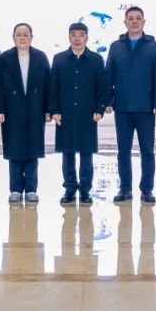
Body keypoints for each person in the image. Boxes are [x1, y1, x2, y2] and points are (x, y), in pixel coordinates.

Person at [105, 6, 156, 204]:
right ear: (125, 22)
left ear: (143, 22)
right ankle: (125, 189)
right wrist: (108, 100)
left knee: (147, 151)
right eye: (130, 18)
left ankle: (147, 190)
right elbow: (109, 75)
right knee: (123, 152)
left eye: (138, 18)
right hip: (122, 108)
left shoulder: (154, 47)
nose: (134, 21)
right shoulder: (116, 46)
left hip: (146, 108)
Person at [49, 22, 107, 205]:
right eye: (73, 34)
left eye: (81, 35)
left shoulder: (96, 60)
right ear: (69, 37)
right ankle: (69, 189)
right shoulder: (59, 59)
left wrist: (99, 109)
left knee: (86, 153)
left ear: (87, 38)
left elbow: (102, 88)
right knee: (67, 153)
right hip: (65, 113)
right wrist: (54, 110)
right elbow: (53, 88)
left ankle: (85, 190)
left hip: (87, 113)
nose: (77, 38)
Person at [0, 23, 51, 203]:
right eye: (19, 34)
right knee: (15, 150)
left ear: (31, 37)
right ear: (13, 38)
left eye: (26, 34)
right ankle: (16, 189)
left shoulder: (40, 57)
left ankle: (31, 189)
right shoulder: (5, 58)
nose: (22, 38)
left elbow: (49, 85)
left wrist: (48, 109)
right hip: (12, 110)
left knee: (33, 151)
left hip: (35, 109)